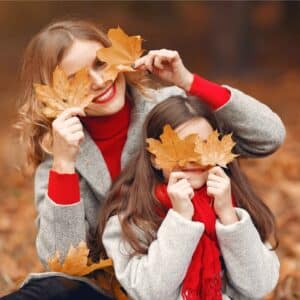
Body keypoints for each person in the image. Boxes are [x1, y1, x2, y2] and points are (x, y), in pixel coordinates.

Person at [2, 18, 285, 299]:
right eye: (76, 79)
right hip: (112, 289)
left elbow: (268, 136)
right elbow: (62, 265)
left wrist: (189, 82)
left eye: (101, 64)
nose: (99, 81)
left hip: (177, 277)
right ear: (54, 92)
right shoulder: (58, 161)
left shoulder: (174, 113)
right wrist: (64, 166)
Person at [95, 95, 281, 300]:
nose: (193, 159)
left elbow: (259, 286)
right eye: (181, 147)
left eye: (204, 145)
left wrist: (229, 217)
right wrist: (181, 220)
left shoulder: (236, 205)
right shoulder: (130, 221)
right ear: (156, 158)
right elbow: (151, 292)